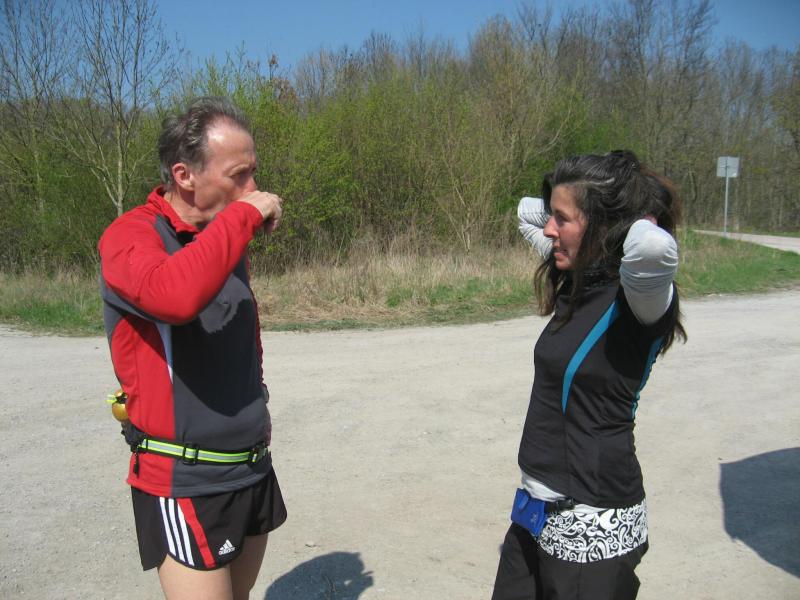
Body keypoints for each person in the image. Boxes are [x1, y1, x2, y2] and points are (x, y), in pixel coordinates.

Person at [99, 96, 287, 600]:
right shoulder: (131, 235)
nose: (254, 188)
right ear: (184, 175)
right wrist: (242, 217)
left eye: (254, 173)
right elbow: (173, 296)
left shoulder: (222, 239)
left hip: (250, 465)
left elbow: (240, 340)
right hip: (185, 479)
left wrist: (259, 408)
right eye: (239, 175)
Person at [491, 150, 687, 600]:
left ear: (603, 227)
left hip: (593, 524)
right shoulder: (584, 276)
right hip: (535, 510)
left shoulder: (639, 298)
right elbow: (524, 212)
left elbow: (653, 248)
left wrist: (626, 212)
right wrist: (575, 206)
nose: (548, 229)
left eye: (562, 219)